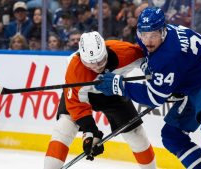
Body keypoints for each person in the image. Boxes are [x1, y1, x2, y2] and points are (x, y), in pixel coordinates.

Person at [95, 7, 201, 169]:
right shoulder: (151, 39)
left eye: (154, 36)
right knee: (172, 136)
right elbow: (150, 57)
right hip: (192, 83)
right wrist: (149, 68)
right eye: (144, 35)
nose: (148, 41)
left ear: (163, 32)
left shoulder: (169, 55)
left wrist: (119, 85)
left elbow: (154, 98)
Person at [44, 31, 156, 169]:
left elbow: (146, 57)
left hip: (113, 90)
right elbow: (76, 105)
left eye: (100, 61)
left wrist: (159, 78)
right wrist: (90, 132)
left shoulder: (123, 51)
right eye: (91, 64)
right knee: (64, 128)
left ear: (105, 51)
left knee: (136, 134)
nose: (97, 67)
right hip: (82, 96)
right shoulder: (75, 69)